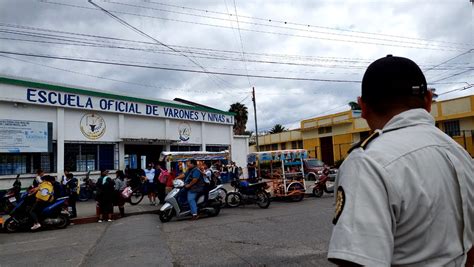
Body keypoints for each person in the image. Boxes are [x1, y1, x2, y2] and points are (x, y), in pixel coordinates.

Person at [327, 55, 474, 266]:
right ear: (428, 100)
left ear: (363, 107)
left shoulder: (368, 163)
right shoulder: (459, 152)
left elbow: (359, 261)